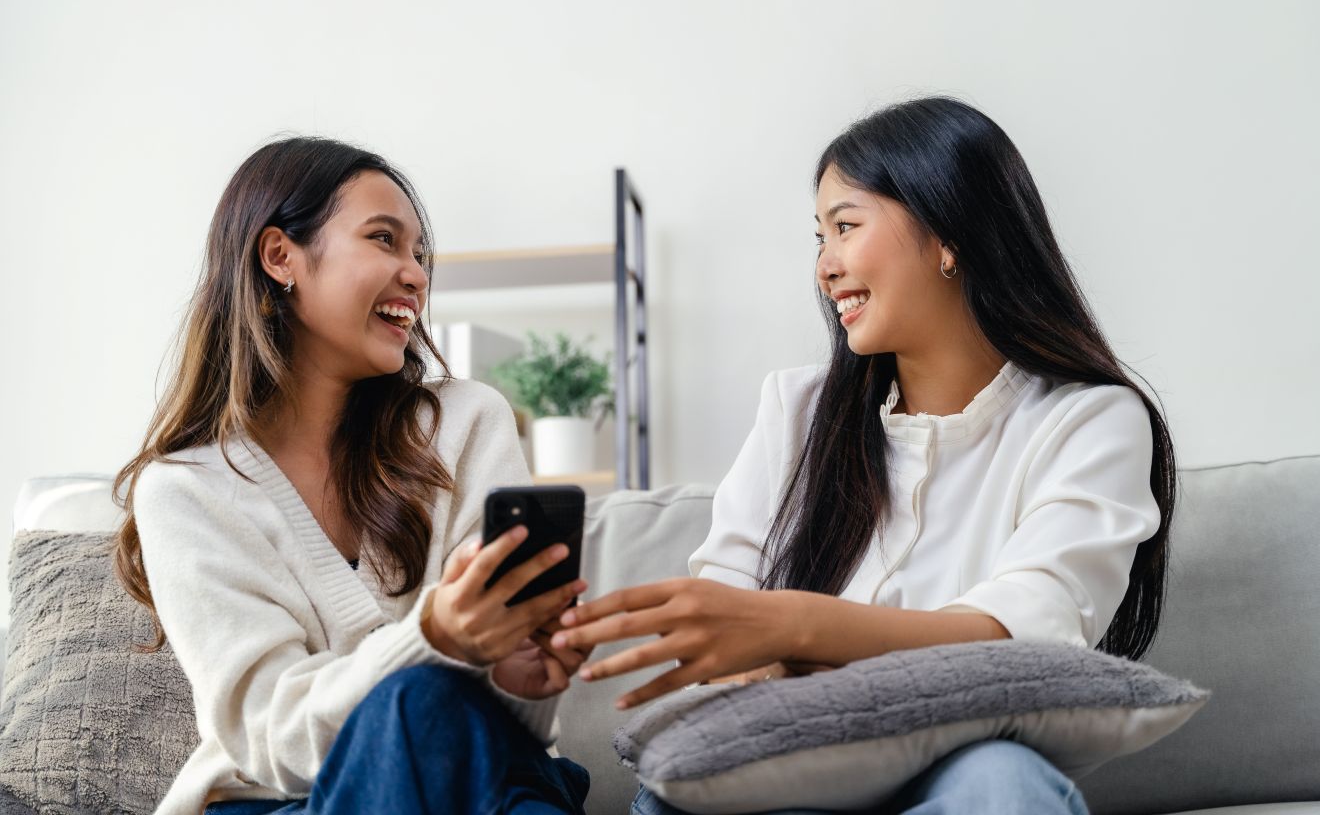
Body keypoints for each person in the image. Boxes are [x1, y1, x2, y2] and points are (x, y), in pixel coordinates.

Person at [549, 97, 1176, 814]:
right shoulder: (797, 410)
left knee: (1000, 777)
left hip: (960, 772)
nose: (825, 267)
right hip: (782, 773)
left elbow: (1027, 639)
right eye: (819, 237)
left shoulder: (1088, 420)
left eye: (845, 227)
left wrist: (793, 629)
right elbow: (724, 634)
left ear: (949, 234)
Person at [112, 137, 592, 815]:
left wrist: (521, 682)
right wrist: (434, 641)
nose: (417, 275)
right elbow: (268, 738)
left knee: (486, 758)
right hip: (288, 801)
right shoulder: (185, 492)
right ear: (281, 257)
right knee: (421, 702)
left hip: (482, 777)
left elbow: (504, 724)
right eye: (384, 240)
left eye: (420, 254)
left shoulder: (466, 423)